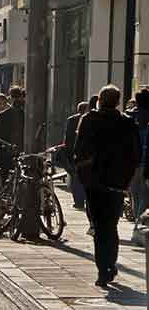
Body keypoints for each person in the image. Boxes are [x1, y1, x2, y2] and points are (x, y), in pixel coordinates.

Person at [74, 85, 139, 287]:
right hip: (117, 182)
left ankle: (104, 269)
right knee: (111, 225)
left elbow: (78, 150)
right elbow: (135, 154)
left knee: (99, 225)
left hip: (93, 181)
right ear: (118, 102)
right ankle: (109, 264)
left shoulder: (88, 120)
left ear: (99, 100)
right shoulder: (126, 122)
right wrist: (127, 178)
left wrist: (82, 174)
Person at [127, 88, 149, 242]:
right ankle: (139, 227)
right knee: (144, 196)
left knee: (135, 194)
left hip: (131, 162)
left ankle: (138, 223)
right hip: (145, 161)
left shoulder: (129, 116)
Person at [64, 102, 90, 209]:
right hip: (86, 153)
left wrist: (68, 153)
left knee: (76, 178)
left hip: (75, 153)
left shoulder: (71, 120)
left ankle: (78, 202)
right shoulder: (89, 119)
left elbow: (67, 138)